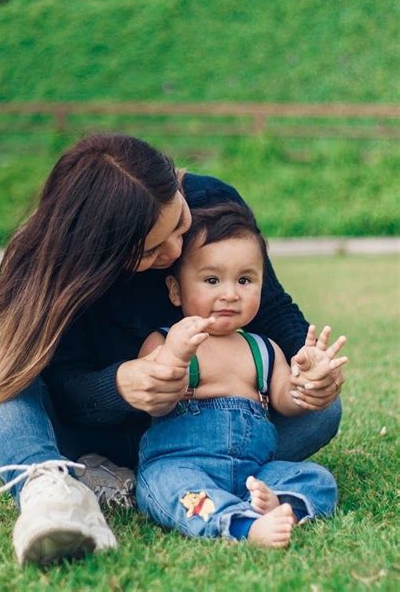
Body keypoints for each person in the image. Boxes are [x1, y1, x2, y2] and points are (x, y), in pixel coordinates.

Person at [0, 133, 345, 566]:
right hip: (91, 431)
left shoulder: (211, 201)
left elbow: (269, 303)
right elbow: (62, 385)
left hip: (208, 438)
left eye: (178, 223)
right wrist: (120, 384)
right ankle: (51, 489)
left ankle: (167, 482)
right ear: (100, 255)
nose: (175, 250)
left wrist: (309, 366)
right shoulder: (56, 267)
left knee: (322, 410)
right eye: (151, 250)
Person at [136, 202, 347, 547]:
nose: (230, 294)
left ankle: (278, 507)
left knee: (318, 479)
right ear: (175, 290)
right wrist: (173, 359)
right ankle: (242, 526)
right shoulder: (165, 340)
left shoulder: (264, 349)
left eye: (245, 280)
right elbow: (154, 405)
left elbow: (285, 400)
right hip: (183, 466)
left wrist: (305, 381)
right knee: (169, 488)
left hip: (253, 473)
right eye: (212, 280)